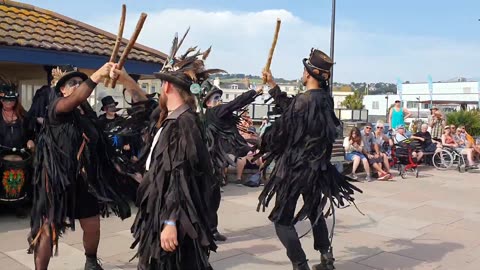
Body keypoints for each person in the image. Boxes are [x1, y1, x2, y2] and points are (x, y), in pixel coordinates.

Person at [111, 35, 220, 269]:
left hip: (176, 215)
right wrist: (127, 80)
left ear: (167, 86)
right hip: (161, 208)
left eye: (161, 84)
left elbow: (181, 174)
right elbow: (145, 108)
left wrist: (170, 221)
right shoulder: (170, 118)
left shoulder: (183, 122)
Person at [257, 49, 361, 270]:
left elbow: (282, 128)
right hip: (316, 169)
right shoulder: (325, 100)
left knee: (282, 222)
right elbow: (293, 108)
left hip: (295, 169)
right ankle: (327, 257)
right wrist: (273, 85)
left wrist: (261, 143)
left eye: (303, 71)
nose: (301, 74)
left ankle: (300, 265)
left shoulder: (303, 102)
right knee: (314, 211)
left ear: (308, 74)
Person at [28, 64, 131, 270]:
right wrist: (98, 75)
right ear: (62, 90)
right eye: (72, 83)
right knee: (47, 229)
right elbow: (74, 100)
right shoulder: (56, 109)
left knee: (92, 224)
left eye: (79, 82)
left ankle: (91, 261)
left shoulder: (87, 116)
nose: (77, 86)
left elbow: (100, 145)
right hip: (56, 182)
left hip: (83, 180)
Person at [202, 80, 261, 241]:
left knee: (214, 196)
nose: (218, 101)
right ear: (207, 103)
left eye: (219, 98)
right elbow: (234, 105)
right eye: (215, 99)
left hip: (214, 161)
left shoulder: (212, 115)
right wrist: (253, 92)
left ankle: (211, 230)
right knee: (209, 197)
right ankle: (206, 231)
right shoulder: (214, 113)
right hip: (209, 161)